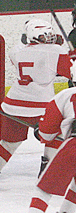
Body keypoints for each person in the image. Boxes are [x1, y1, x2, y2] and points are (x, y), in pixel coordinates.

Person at [0, 18, 73, 185]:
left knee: (9, 143)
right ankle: (45, 170)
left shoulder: (16, 51)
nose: (51, 37)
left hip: (13, 105)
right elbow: (71, 71)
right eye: (46, 35)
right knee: (57, 134)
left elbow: (35, 58)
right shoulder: (55, 51)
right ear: (37, 35)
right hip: (42, 108)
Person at [28, 82, 76, 213]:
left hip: (74, 147)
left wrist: (40, 131)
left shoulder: (66, 95)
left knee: (43, 191)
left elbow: (47, 134)